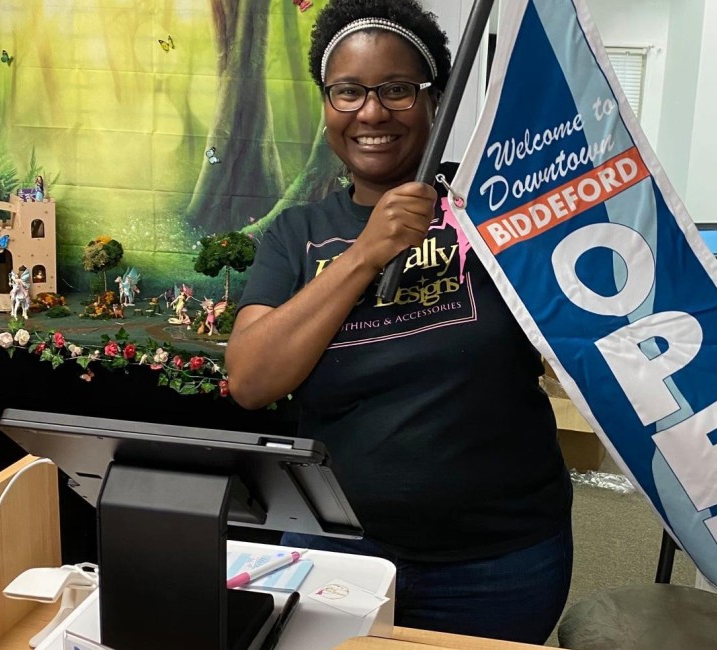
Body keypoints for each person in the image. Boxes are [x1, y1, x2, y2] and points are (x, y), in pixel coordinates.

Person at [225, 0, 573, 644]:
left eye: (397, 90)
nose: (373, 111)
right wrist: (364, 255)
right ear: (328, 103)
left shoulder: (494, 214)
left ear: (433, 98)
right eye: (349, 91)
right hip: (337, 554)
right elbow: (250, 379)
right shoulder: (296, 236)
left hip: (499, 564)